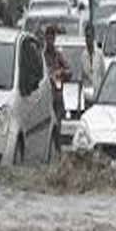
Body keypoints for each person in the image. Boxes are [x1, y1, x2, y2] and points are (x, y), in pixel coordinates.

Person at [43, 25, 70, 153]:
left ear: (54, 39)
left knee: (57, 129)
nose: (50, 41)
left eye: (51, 38)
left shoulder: (59, 56)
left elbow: (69, 71)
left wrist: (60, 73)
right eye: (47, 38)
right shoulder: (42, 56)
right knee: (45, 130)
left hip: (57, 99)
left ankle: (58, 155)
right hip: (44, 99)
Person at [79, 23, 106, 110]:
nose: (88, 39)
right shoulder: (83, 56)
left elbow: (103, 75)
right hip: (87, 98)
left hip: (98, 97)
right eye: (86, 36)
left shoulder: (99, 54)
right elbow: (81, 79)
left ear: (93, 37)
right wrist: (79, 102)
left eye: (89, 36)